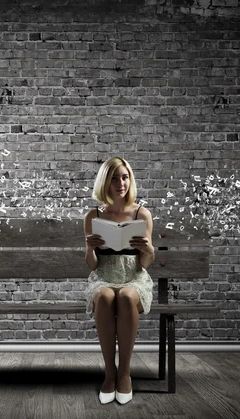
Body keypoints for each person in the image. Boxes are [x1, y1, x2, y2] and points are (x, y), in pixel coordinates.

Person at [83, 157, 155, 405]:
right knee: (104, 295)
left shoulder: (141, 213)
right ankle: (109, 373)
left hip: (133, 276)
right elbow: (93, 265)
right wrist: (89, 248)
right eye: (114, 177)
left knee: (125, 295)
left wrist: (148, 249)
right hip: (104, 275)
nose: (120, 183)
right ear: (105, 181)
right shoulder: (92, 215)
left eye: (124, 177)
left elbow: (145, 264)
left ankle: (124, 373)